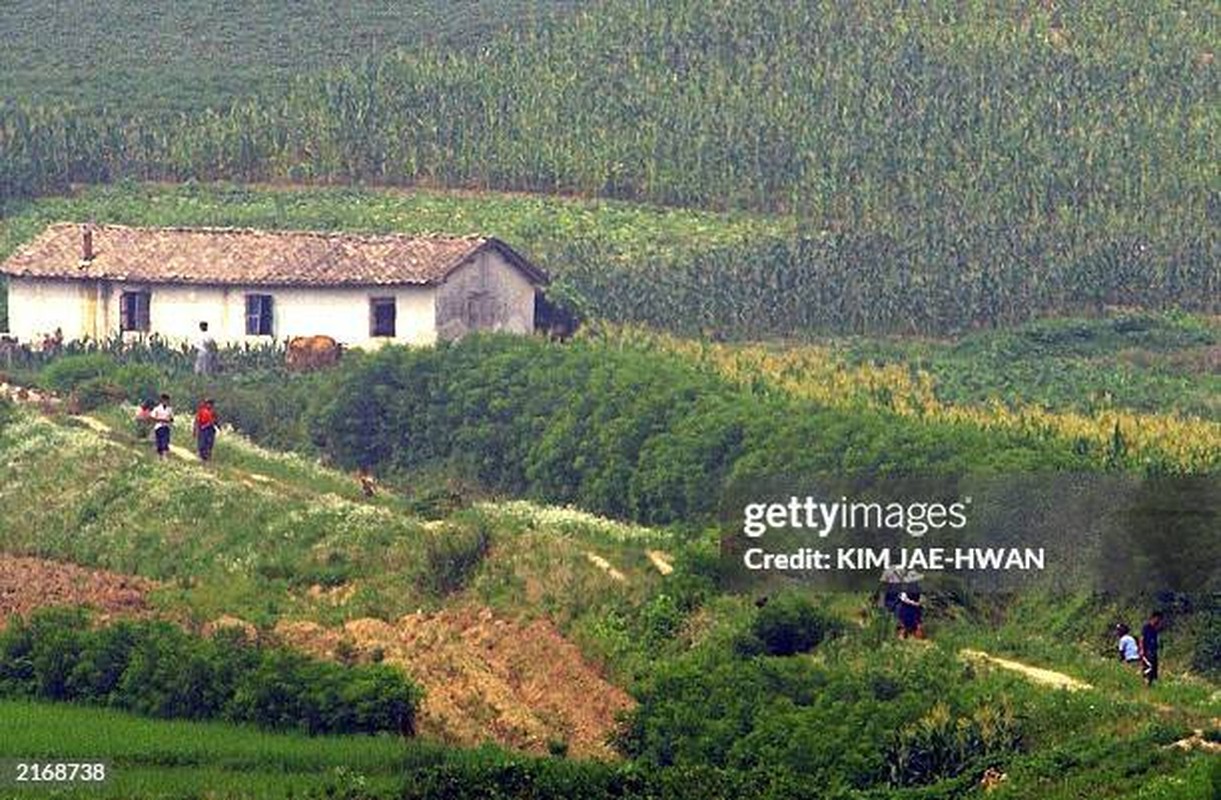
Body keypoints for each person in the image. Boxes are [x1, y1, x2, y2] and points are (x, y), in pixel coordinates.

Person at [1139, 611, 1164, 687]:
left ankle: (1150, 684)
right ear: (1154, 618)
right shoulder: (1146, 627)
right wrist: (1142, 650)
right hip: (1147, 652)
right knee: (1147, 669)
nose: (1159, 621)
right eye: (1158, 619)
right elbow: (1141, 639)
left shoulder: (1155, 629)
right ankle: (1145, 685)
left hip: (1153, 652)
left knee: (1154, 669)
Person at [151, 393, 174, 458]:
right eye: (164, 400)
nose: (166, 402)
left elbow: (172, 419)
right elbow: (152, 417)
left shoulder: (169, 409)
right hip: (158, 426)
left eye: (167, 401)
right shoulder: (157, 408)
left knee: (165, 441)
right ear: (162, 400)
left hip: (166, 427)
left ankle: (164, 455)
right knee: (159, 441)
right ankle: (159, 455)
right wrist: (160, 419)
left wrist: (168, 420)